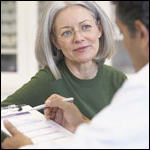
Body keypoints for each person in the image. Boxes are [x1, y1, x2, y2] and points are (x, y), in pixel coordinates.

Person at [5, 1, 150, 149]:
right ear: (55, 41)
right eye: (67, 32)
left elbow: (116, 140)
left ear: (99, 29)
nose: (79, 38)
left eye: (85, 27)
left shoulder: (119, 80)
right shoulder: (47, 80)